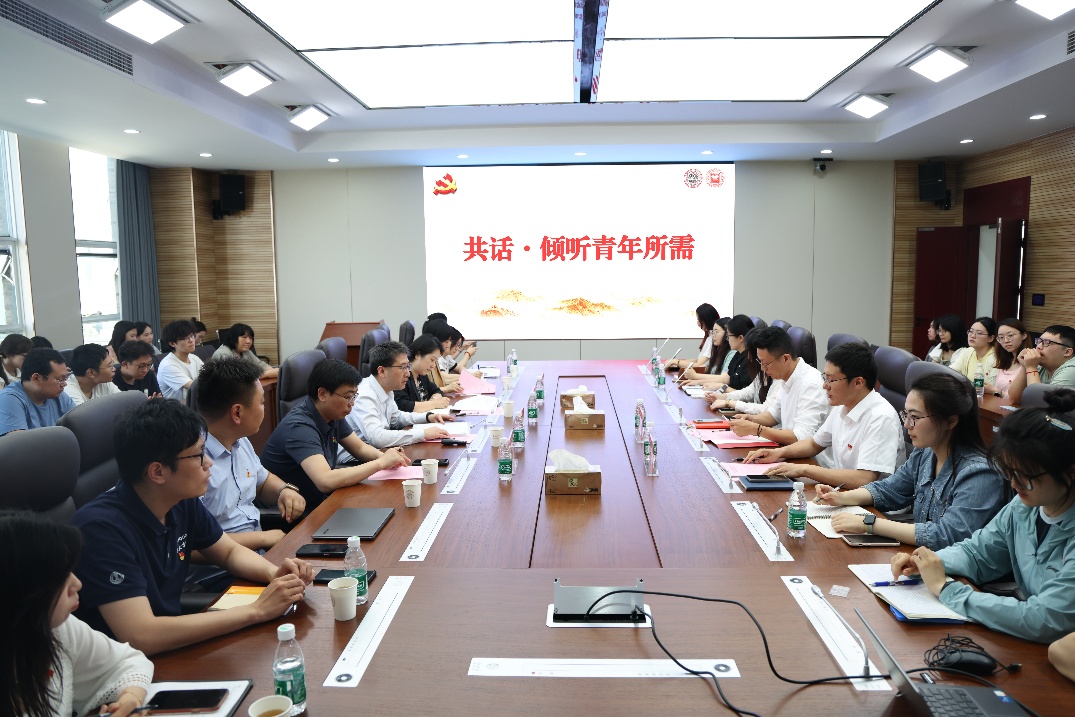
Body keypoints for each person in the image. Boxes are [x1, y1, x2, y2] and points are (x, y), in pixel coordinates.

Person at [70, 400, 314, 656]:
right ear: (157, 472)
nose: (209, 463)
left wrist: (274, 574)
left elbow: (228, 552)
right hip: (119, 666)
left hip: (169, 646)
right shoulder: (101, 529)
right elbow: (141, 635)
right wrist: (257, 610)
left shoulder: (178, 501)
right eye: (198, 456)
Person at [891, 388, 1075, 643]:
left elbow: (1043, 619)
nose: (1014, 484)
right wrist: (928, 562)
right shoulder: (1023, 507)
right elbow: (978, 553)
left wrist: (947, 589)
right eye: (1010, 472)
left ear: (1070, 473)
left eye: (1027, 477)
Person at [815, 372, 1006, 548]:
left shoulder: (980, 473)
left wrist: (869, 523)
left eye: (915, 417)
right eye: (906, 415)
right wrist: (841, 497)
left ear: (950, 421)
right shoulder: (926, 452)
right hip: (922, 557)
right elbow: (890, 489)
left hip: (955, 570)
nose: (907, 424)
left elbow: (947, 535)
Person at [0, 510, 154, 717]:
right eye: (61, 576)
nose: (77, 584)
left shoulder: (57, 628)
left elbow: (129, 662)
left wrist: (130, 698)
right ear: (22, 590)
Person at [744, 342, 905, 488]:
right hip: (842, 490)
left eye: (830, 380)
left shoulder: (880, 417)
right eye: (824, 378)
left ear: (858, 382)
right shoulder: (843, 405)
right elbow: (814, 444)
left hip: (873, 505)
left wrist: (804, 469)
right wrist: (778, 453)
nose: (824, 386)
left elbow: (864, 479)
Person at [259, 358, 410, 511]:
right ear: (322, 394)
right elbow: (325, 481)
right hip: (290, 512)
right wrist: (381, 463)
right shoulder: (299, 427)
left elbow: (359, 448)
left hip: (317, 501)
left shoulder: (332, 414)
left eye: (354, 396)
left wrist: (388, 458)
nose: (352, 403)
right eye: (348, 397)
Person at [197, 358, 305, 550]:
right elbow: (192, 545)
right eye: (262, 402)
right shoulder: (192, 461)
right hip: (222, 565)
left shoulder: (240, 441)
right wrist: (262, 539)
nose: (264, 408)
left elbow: (262, 482)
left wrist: (284, 490)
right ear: (237, 413)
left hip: (257, 553)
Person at [727, 326, 829, 448]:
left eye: (766, 363)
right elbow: (774, 414)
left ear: (785, 359)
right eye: (760, 362)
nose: (762, 369)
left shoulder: (811, 384)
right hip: (789, 449)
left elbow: (801, 437)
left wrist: (756, 429)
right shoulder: (786, 377)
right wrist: (750, 419)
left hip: (808, 456)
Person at [344, 341, 453, 452]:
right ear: (382, 371)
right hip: (356, 459)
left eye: (408, 367)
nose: (408, 373)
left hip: (379, 452)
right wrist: (423, 434)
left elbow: (396, 418)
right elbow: (377, 438)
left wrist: (427, 417)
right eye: (403, 367)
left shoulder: (386, 388)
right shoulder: (364, 395)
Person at [0, 348, 76, 436]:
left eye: (65, 378)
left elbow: (78, 425)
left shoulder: (58, 394)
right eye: (60, 379)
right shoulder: (9, 399)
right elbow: (17, 441)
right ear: (36, 378)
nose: (64, 384)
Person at [1006, 324, 1075, 404]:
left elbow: (1041, 403)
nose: (1038, 346)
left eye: (1047, 342)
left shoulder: (1072, 369)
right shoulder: (1040, 363)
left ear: (1067, 352)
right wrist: (1025, 366)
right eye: (1039, 341)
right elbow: (1015, 399)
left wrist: (1031, 367)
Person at [683, 314, 753, 389]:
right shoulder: (737, 355)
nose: (727, 339)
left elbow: (725, 380)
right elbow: (727, 379)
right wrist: (697, 382)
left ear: (740, 338)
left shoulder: (746, 358)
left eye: (729, 336)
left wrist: (695, 376)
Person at [394, 334, 451, 412]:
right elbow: (403, 405)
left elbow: (437, 390)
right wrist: (433, 404)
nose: (433, 365)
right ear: (417, 355)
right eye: (432, 360)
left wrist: (434, 400)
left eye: (435, 361)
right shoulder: (402, 376)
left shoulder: (421, 375)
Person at [156, 319, 204, 402]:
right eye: (185, 338)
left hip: (195, 404)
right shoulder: (168, 365)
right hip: (177, 408)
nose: (191, 340)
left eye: (192, 336)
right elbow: (195, 388)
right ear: (172, 343)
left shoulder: (194, 358)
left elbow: (208, 378)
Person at [987, 318, 1033, 398]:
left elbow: (1022, 399)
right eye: (1001, 337)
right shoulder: (1002, 361)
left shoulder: (1031, 362)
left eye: (1010, 335)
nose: (1006, 341)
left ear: (1024, 335)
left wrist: (995, 391)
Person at [212, 323, 278, 378]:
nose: (248, 341)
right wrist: (266, 374)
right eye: (244, 337)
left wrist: (273, 371)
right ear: (233, 337)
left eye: (250, 338)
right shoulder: (222, 354)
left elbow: (259, 364)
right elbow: (235, 378)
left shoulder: (245, 351)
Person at [667, 303, 720, 371]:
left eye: (699, 320)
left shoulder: (714, 339)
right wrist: (677, 363)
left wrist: (676, 362)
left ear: (706, 320)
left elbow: (698, 365)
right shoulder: (709, 336)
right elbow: (698, 360)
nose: (697, 323)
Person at [949, 316, 998, 385]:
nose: (972, 336)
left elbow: (992, 387)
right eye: (971, 331)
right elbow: (950, 372)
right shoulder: (968, 352)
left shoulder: (996, 358)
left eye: (979, 333)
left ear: (991, 338)